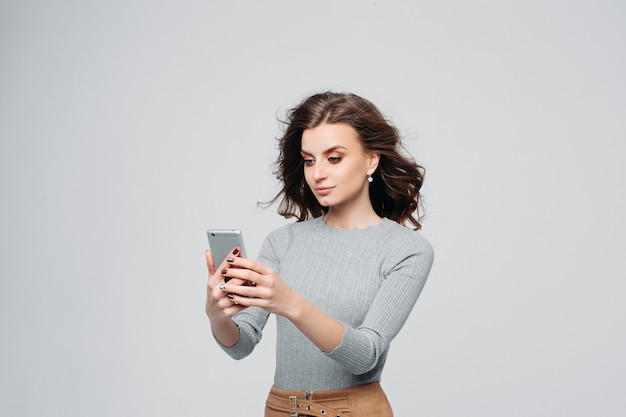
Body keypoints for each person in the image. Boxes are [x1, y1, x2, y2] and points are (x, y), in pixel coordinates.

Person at [205, 91, 434, 417]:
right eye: (309, 160)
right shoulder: (282, 242)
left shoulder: (406, 250)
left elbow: (365, 355)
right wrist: (217, 316)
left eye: (334, 158)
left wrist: (291, 303)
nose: (317, 173)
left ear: (371, 159)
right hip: (281, 409)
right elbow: (241, 345)